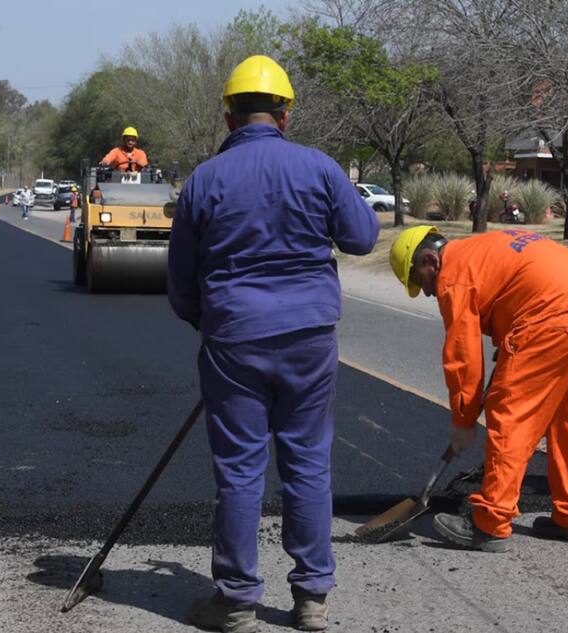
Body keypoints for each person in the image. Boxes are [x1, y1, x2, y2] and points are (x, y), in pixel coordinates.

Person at [167, 55, 379, 633]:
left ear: (229, 116)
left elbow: (181, 282)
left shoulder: (204, 180)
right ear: (285, 114)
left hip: (235, 337)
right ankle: (311, 597)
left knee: (239, 471)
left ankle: (236, 602)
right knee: (308, 463)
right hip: (309, 337)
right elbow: (362, 238)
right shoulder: (319, 168)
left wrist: (212, 329)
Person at [389, 226, 568, 552]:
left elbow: (462, 357)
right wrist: (512, 341)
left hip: (553, 314)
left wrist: (464, 421)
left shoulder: (454, 275)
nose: (426, 292)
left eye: (420, 281)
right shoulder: (481, 247)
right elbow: (517, 285)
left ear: (429, 259)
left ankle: (490, 522)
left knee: (511, 414)